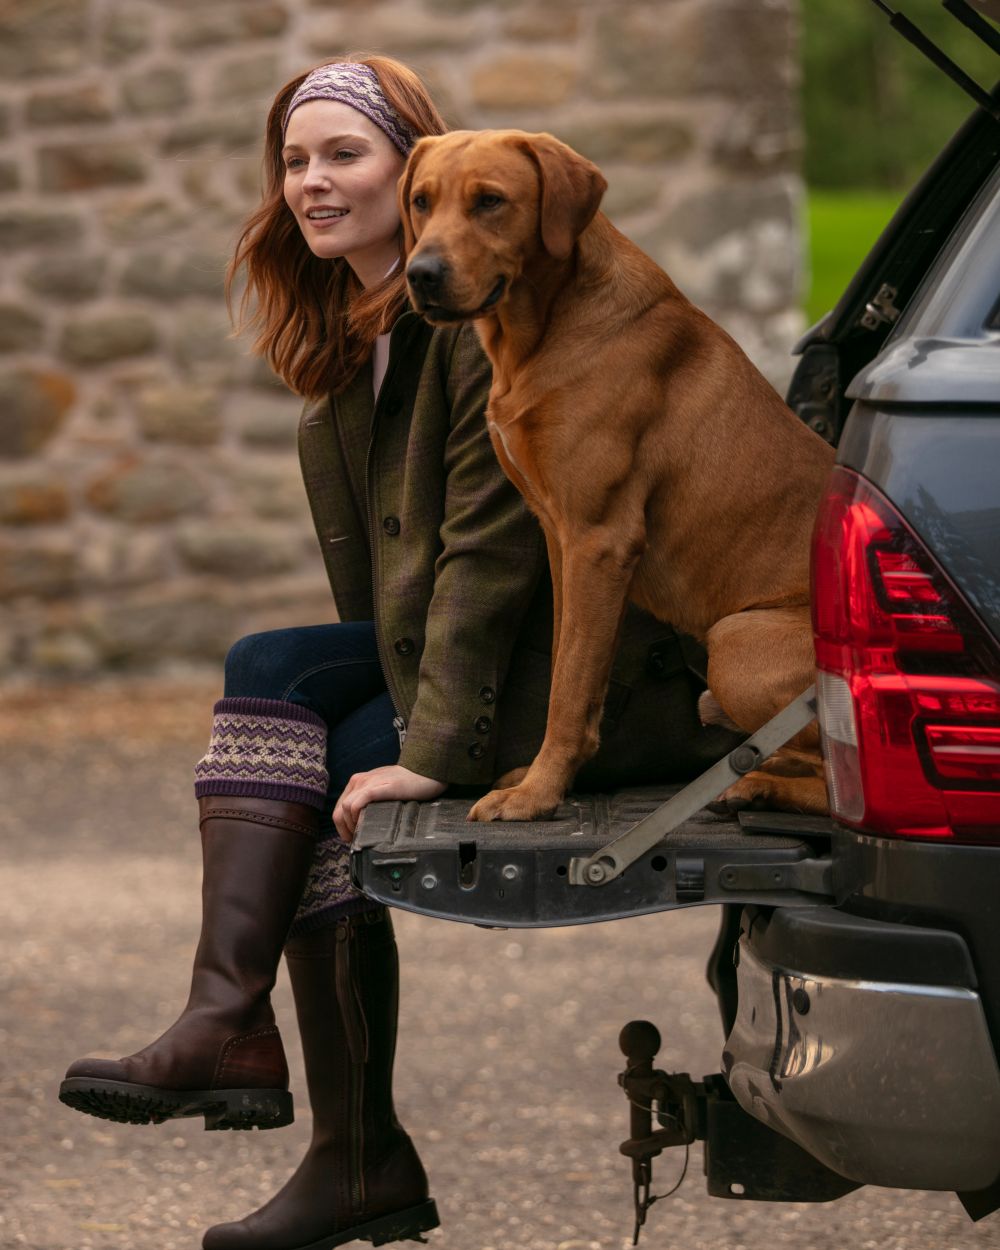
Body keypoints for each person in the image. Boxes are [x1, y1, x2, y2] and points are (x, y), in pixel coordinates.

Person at [59, 56, 739, 1250]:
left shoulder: (484, 317)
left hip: (529, 677)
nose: (315, 182)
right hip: (448, 648)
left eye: (345, 157)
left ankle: (321, 1119)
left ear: (410, 160)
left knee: (306, 752)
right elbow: (402, 585)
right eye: (293, 161)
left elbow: (490, 560)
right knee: (267, 669)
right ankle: (262, 1056)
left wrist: (432, 752)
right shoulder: (362, 321)